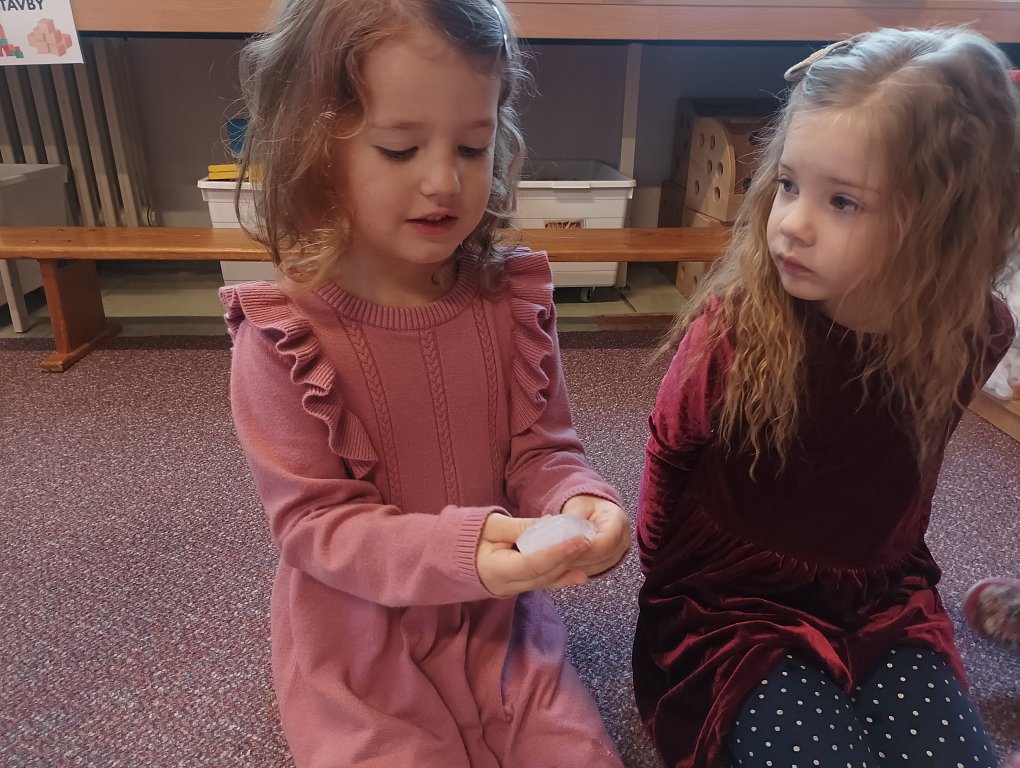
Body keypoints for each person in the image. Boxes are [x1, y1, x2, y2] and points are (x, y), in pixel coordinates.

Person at [218, 1, 630, 765]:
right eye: (400, 149)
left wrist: (580, 501)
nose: (444, 180)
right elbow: (316, 526)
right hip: (360, 641)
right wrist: (462, 549)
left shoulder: (511, 301)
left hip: (500, 624)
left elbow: (542, 451)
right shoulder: (283, 336)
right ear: (313, 148)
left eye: (473, 146)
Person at [632, 27, 1018, 768]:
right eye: (787, 184)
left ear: (943, 221)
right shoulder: (740, 327)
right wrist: (660, 578)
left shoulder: (976, 331)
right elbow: (670, 447)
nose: (792, 224)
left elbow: (912, 470)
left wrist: (890, 558)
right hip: (732, 604)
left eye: (842, 201)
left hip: (881, 597)